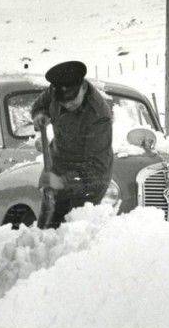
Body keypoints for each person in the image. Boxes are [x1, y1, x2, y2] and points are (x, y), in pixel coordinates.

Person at [31, 60, 114, 228]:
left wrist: (61, 182)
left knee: (72, 232)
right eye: (63, 102)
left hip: (87, 183)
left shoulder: (99, 116)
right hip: (58, 164)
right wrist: (40, 114)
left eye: (72, 100)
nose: (67, 104)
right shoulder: (56, 90)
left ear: (83, 87)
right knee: (46, 226)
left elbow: (96, 169)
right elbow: (40, 104)